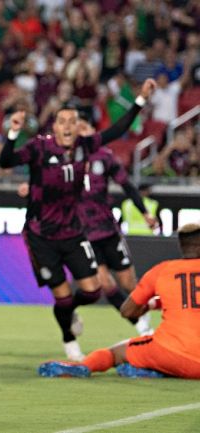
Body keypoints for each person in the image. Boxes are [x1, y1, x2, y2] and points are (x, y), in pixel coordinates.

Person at [0, 78, 156, 362]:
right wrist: (12, 133)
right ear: (54, 127)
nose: (69, 126)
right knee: (62, 296)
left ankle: (70, 311)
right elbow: (6, 162)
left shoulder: (86, 146)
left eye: (73, 120)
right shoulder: (39, 148)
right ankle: (69, 340)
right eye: (63, 121)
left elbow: (118, 130)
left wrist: (141, 99)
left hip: (73, 233)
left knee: (93, 291)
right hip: (41, 235)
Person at [39, 223, 200, 379]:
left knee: (115, 353)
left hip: (170, 352)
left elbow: (127, 311)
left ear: (181, 245)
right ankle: (154, 371)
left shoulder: (162, 270)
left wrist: (148, 305)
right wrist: (155, 303)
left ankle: (83, 367)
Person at [76, 121, 157, 337]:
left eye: (85, 128)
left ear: (93, 131)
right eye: (78, 128)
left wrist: (145, 212)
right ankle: (139, 323)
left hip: (107, 230)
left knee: (128, 283)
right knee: (104, 283)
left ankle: (145, 310)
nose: (81, 132)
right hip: (85, 234)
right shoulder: (66, 159)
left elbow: (127, 185)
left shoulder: (105, 156)